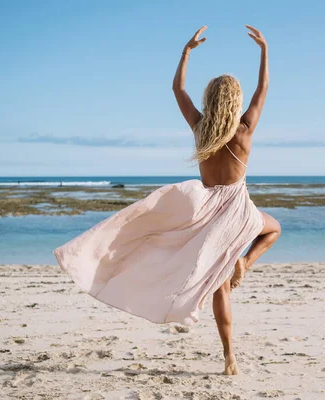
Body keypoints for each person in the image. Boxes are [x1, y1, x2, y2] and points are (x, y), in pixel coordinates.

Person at [53, 25, 281, 376]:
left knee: (220, 288)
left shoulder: (200, 128)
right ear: (235, 101)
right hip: (239, 212)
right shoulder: (245, 130)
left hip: (206, 211)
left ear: (211, 100)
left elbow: (178, 89)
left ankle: (229, 356)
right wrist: (264, 49)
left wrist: (187, 51)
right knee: (273, 229)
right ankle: (245, 268)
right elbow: (263, 90)